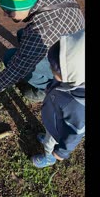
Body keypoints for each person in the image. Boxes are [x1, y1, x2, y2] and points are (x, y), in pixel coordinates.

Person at [30, 29, 85, 168]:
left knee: (50, 142)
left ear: (72, 74)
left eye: (54, 70)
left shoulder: (78, 106)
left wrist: (62, 152)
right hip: (53, 116)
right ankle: (48, 136)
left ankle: (49, 157)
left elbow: (76, 133)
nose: (50, 69)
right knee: (49, 134)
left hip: (58, 129)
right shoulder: (75, 79)